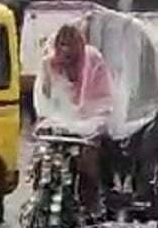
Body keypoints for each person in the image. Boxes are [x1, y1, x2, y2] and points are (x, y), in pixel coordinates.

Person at [36, 23, 114, 217]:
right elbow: (46, 94)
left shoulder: (92, 60)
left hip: (92, 114)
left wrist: (87, 114)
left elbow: (102, 96)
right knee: (44, 150)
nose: (66, 51)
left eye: (70, 46)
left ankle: (92, 200)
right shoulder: (50, 63)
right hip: (62, 116)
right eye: (61, 45)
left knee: (88, 154)